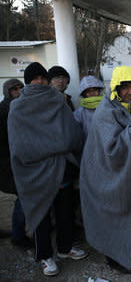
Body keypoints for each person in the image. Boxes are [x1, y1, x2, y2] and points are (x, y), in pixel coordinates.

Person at [8, 62, 87, 277]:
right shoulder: (17, 107)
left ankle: (64, 248)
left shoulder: (58, 101)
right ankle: (44, 255)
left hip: (61, 168)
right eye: (35, 79)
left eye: (43, 78)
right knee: (39, 214)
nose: (40, 82)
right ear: (27, 82)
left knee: (64, 211)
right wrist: (55, 146)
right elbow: (20, 144)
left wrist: (59, 146)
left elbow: (70, 134)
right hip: (33, 172)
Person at [80, 66, 131, 273]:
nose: (130, 91)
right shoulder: (106, 111)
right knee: (113, 215)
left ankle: (129, 250)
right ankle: (114, 256)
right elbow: (112, 148)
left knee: (130, 211)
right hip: (106, 173)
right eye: (125, 87)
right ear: (116, 88)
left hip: (128, 173)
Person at [0, 78, 33, 249]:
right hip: (9, 163)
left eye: (21, 87)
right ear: (8, 92)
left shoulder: (22, 107)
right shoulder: (4, 110)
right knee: (23, 198)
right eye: (15, 89)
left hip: (19, 161)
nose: (19, 91)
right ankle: (18, 236)